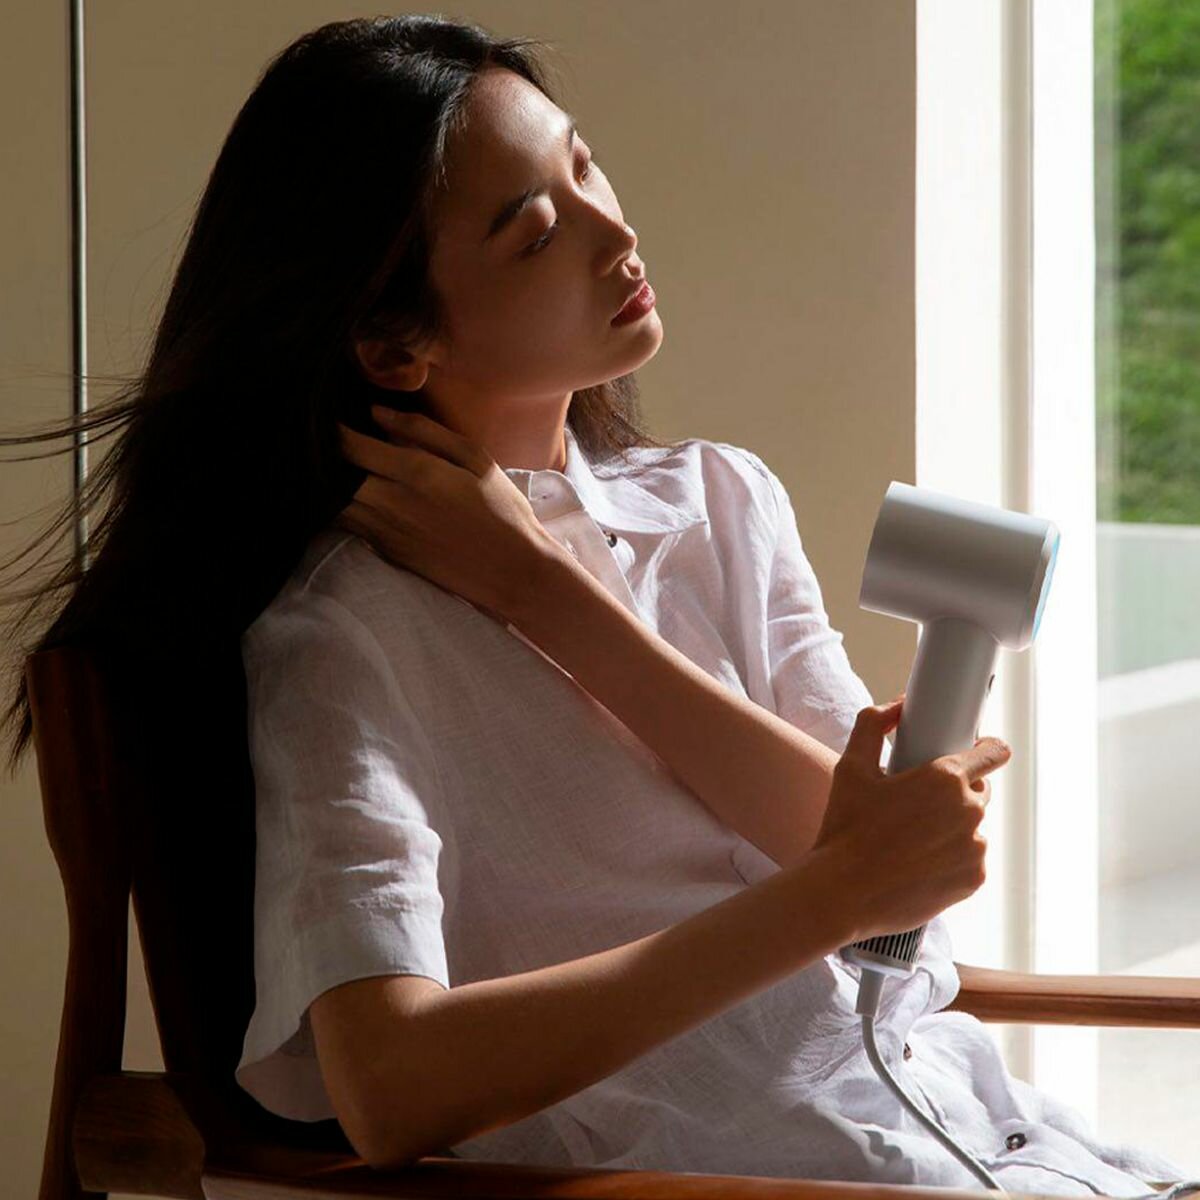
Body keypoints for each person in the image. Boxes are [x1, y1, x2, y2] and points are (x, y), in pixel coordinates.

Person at [2, 14, 1193, 1198]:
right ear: (394, 345)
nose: (616, 233)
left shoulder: (722, 502)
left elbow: (880, 865)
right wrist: (837, 895)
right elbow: (391, 1085)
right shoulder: (347, 636)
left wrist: (552, 602)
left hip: (1009, 1144)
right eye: (535, 233)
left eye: (587, 167)